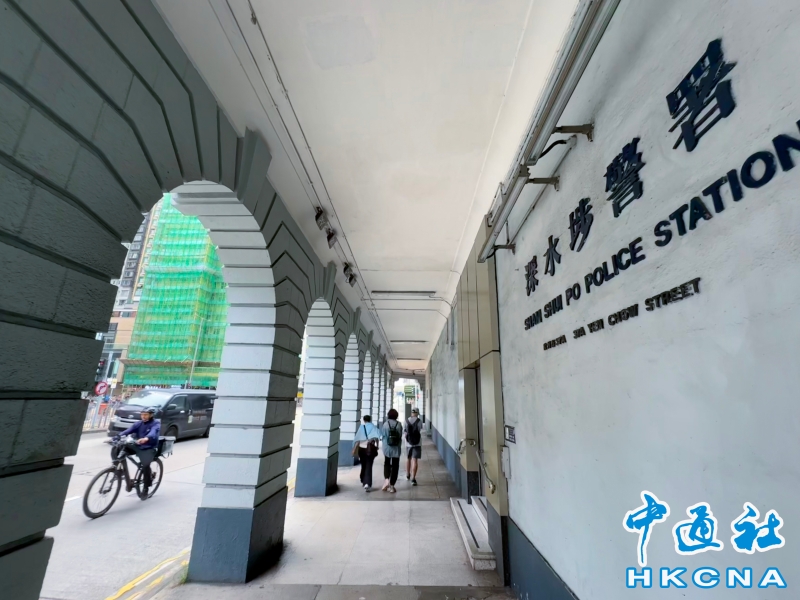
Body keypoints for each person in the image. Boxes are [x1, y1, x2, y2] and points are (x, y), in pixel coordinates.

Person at [116, 407, 160, 498]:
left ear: (151, 415)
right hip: (138, 445)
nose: (143, 416)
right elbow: (128, 431)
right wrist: (117, 437)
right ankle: (117, 468)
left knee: (145, 465)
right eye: (142, 415)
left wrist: (146, 438)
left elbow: (153, 432)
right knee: (118, 447)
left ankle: (146, 487)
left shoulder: (156, 423)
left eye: (146, 415)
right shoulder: (139, 423)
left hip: (148, 447)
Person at [352, 415, 380, 491]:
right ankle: (367, 483)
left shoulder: (361, 427)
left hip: (361, 449)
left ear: (364, 420)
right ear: (370, 420)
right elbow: (377, 437)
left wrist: (354, 448)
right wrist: (377, 446)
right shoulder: (373, 427)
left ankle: (363, 479)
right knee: (369, 466)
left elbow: (357, 439)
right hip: (370, 450)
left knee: (363, 465)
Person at [380, 408, 403, 493]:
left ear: (388, 415)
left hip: (387, 448)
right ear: (396, 416)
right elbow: (400, 435)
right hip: (396, 448)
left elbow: (383, 435)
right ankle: (392, 485)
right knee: (395, 466)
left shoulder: (385, 424)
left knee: (387, 463)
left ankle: (386, 480)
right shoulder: (399, 424)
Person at [405, 408, 422, 485]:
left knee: (408, 459)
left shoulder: (406, 421)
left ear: (411, 413)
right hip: (417, 443)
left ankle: (408, 474)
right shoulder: (419, 421)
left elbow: (405, 431)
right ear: (417, 413)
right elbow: (419, 430)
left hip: (408, 443)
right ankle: (413, 479)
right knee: (415, 460)